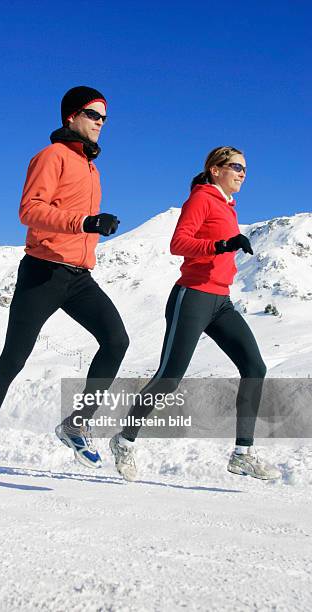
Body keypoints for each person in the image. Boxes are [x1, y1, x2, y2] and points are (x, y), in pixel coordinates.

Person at [0, 86, 129, 485]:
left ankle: (77, 425)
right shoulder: (51, 156)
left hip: (78, 276)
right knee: (14, 359)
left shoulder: (91, 167)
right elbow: (30, 210)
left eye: (104, 118)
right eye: (93, 115)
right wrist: (86, 222)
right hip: (43, 272)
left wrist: (87, 232)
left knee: (116, 340)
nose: (100, 123)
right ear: (71, 116)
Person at [109, 146, 281, 482]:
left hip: (221, 301)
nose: (243, 173)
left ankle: (242, 454)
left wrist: (228, 249)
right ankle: (125, 440)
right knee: (170, 377)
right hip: (193, 297)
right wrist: (220, 246)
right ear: (215, 170)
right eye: (236, 167)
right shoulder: (201, 199)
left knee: (254, 366)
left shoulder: (229, 207)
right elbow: (179, 243)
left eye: (246, 169)